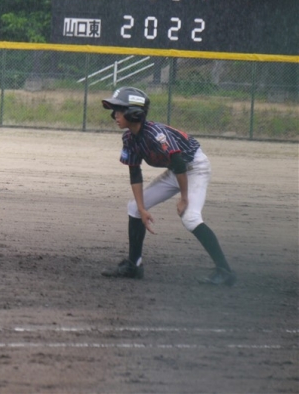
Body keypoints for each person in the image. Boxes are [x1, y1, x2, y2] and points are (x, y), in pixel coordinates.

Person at [100, 86, 236, 286]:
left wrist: (184, 198)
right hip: (176, 171)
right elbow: (135, 173)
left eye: (119, 110)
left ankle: (225, 271)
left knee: (190, 217)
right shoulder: (129, 138)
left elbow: (179, 162)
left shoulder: (155, 134)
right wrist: (142, 208)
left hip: (194, 168)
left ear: (134, 113)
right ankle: (134, 266)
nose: (115, 115)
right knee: (134, 208)